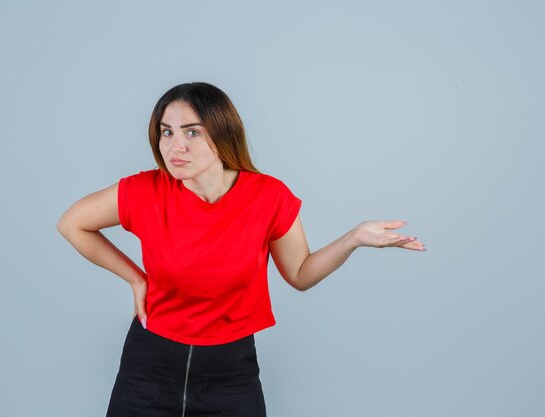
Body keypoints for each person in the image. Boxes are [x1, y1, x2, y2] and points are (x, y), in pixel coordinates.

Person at [56, 82, 426, 417]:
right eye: (166, 132)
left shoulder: (268, 196)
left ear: (221, 133)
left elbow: (300, 274)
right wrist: (135, 278)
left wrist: (353, 238)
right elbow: (72, 223)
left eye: (192, 132)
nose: (175, 146)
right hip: (149, 365)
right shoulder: (144, 190)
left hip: (230, 374)